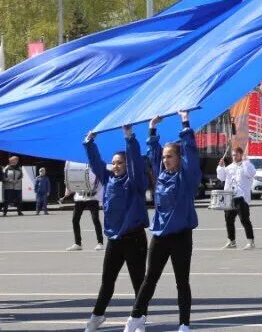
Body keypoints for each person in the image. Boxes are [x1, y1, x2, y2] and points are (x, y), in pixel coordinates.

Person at [124, 110, 201, 332]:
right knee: (149, 280)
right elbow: (152, 152)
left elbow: (191, 152)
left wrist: (185, 122)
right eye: (165, 156)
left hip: (181, 237)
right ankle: (135, 318)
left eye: (170, 156)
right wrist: (151, 128)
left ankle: (184, 324)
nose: (166, 160)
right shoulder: (160, 174)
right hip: (159, 236)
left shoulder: (186, 177)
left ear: (179, 158)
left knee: (181, 282)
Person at [83, 125, 151, 332]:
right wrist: (89, 142)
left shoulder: (136, 182)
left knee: (138, 282)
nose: (116, 166)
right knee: (107, 282)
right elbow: (96, 164)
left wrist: (129, 137)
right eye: (113, 163)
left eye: (120, 162)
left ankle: (139, 320)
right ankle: (97, 315)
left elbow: (134, 163)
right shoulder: (108, 179)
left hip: (134, 239)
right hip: (115, 240)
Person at [216, 145, 257, 249]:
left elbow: (251, 173)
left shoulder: (247, 166)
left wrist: (246, 162)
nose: (234, 157)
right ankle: (231, 241)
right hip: (229, 197)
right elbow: (221, 177)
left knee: (244, 220)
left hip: (241, 197)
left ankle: (250, 242)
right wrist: (221, 166)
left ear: (241, 155)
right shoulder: (229, 167)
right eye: (233, 155)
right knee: (228, 220)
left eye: (236, 155)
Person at [67, 167, 105, 251]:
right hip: (80, 197)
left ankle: (100, 242)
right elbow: (72, 179)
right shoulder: (79, 167)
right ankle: (77, 243)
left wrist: (99, 194)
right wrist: (69, 187)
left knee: (95, 219)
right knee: (75, 220)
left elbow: (100, 182)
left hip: (92, 197)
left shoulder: (95, 168)